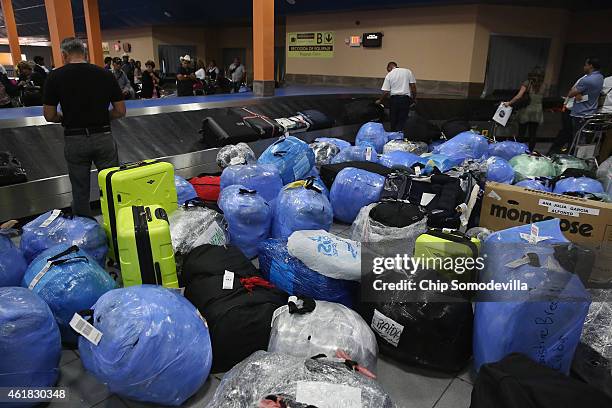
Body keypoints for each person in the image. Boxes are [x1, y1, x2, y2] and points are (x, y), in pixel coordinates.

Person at [43, 37, 126, 217]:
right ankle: (118, 225)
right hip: (103, 136)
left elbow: (49, 115)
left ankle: (85, 233)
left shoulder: (55, 77)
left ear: (64, 55)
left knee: (80, 190)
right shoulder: (105, 74)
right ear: (85, 53)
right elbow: (120, 111)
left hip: (75, 139)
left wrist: (64, 118)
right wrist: (103, 117)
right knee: (112, 185)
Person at [550, 57, 604, 153]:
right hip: (590, 112)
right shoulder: (600, 77)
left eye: (585, 65)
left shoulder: (586, 79)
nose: (584, 67)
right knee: (582, 138)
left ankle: (573, 157)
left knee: (577, 138)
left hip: (580, 113)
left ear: (590, 66)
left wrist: (576, 92)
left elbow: (571, 93)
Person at [503, 67, 545, 151]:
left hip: (526, 110)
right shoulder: (543, 85)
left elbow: (519, 96)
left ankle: (519, 150)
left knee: (521, 132)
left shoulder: (527, 83)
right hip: (537, 111)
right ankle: (530, 152)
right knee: (532, 134)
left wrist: (509, 103)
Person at [376, 61, 417, 131]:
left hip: (394, 100)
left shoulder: (389, 75)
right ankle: (401, 137)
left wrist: (380, 100)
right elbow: (413, 87)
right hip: (405, 100)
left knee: (393, 120)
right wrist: (413, 98)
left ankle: (393, 137)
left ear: (389, 67)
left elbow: (386, 92)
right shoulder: (407, 71)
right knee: (403, 120)